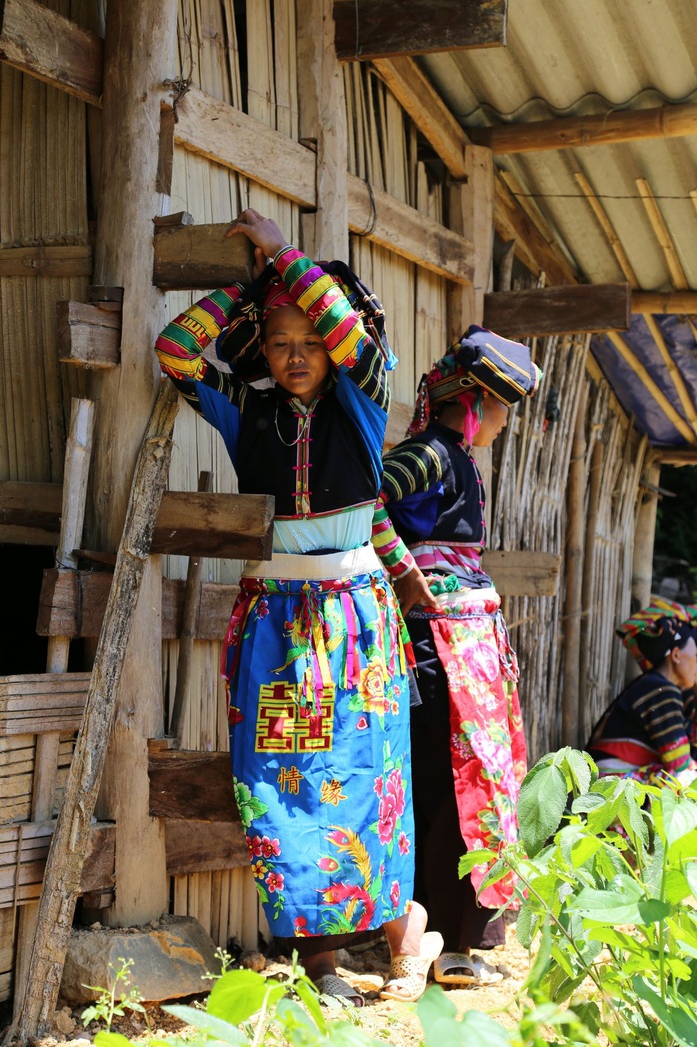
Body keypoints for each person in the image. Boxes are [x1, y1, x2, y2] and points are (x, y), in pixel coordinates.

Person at [154, 209, 442, 1005]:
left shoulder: (364, 398)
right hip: (278, 628)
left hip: (351, 624)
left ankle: (385, 935)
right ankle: (313, 954)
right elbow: (175, 351)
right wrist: (249, 288)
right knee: (284, 777)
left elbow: (352, 335)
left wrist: (285, 256)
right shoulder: (244, 411)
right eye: (278, 343)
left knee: (358, 775)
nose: (294, 356)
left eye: (307, 342)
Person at [371, 329, 541, 986]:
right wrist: (405, 569)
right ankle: (442, 941)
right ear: (473, 401)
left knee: (469, 784)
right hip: (432, 645)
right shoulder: (431, 453)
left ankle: (460, 941)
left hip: (463, 646)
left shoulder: (454, 457)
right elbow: (371, 496)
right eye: (500, 407)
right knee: (444, 785)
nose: (503, 421)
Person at [587, 611, 697, 783]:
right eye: (696, 656)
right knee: (686, 778)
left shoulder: (656, 686)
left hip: (612, 781)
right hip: (611, 784)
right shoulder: (661, 690)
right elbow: (679, 763)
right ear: (676, 655)